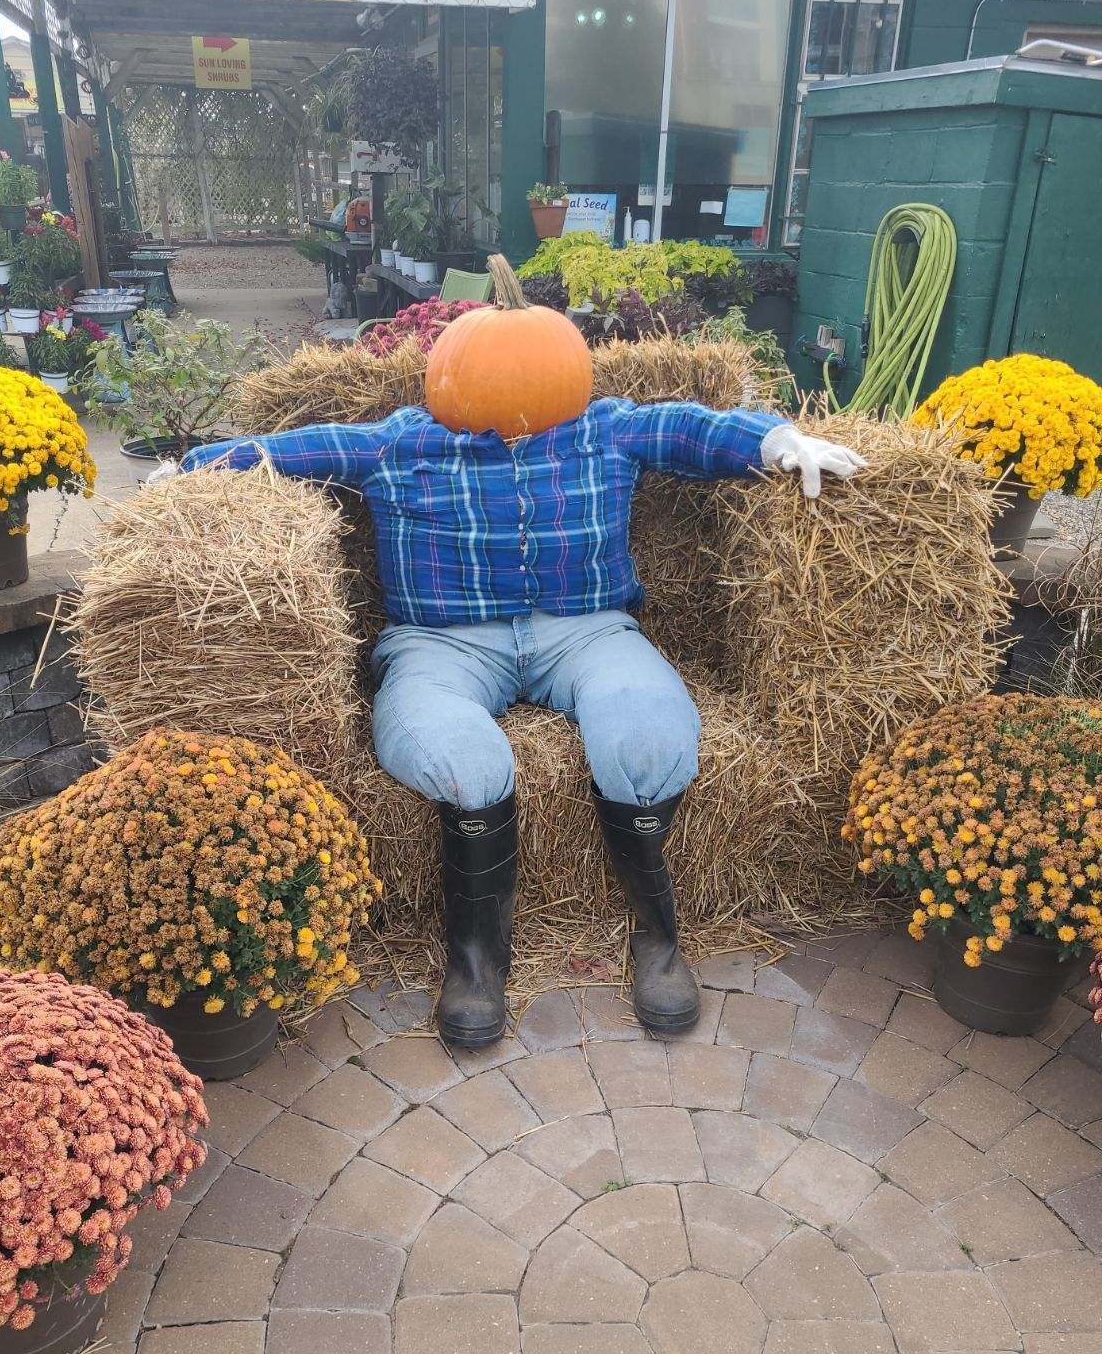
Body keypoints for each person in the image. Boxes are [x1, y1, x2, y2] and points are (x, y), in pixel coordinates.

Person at [174, 271, 865, 1048]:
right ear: (447, 375)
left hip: (587, 631)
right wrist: (196, 468)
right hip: (443, 642)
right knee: (462, 758)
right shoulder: (401, 440)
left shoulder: (601, 427)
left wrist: (777, 440)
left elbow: (689, 429)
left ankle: (657, 935)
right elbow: (287, 451)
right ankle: (476, 956)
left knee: (648, 739)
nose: (510, 394)